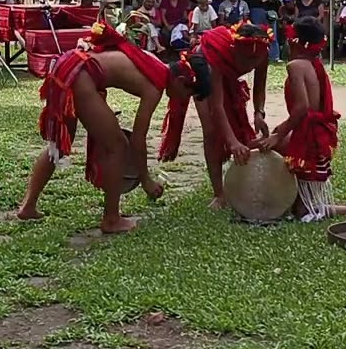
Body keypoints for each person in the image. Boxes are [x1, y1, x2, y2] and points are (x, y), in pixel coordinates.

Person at [16, 21, 207, 233]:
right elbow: (137, 139)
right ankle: (111, 219)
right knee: (117, 146)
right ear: (181, 81)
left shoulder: (154, 61)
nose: (185, 100)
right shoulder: (156, 85)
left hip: (69, 64)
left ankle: (28, 206)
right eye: (189, 94)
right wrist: (146, 181)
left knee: (58, 147)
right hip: (80, 73)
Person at [255, 17, 346, 223]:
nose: (287, 41)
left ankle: (341, 209)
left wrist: (279, 133)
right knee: (268, 144)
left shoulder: (296, 65)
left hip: (310, 136)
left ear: (296, 41)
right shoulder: (315, 64)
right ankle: (298, 200)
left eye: (289, 37)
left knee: (302, 212)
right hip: (316, 132)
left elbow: (303, 108)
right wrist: (281, 131)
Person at [159, 22, 271, 210]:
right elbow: (216, 106)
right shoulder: (217, 57)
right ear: (235, 50)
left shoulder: (261, 51)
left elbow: (260, 86)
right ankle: (219, 194)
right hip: (202, 71)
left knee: (238, 128)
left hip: (225, 75)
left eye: (255, 60)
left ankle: (241, 180)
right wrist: (232, 142)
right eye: (246, 59)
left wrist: (259, 112)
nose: (250, 64)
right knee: (211, 130)